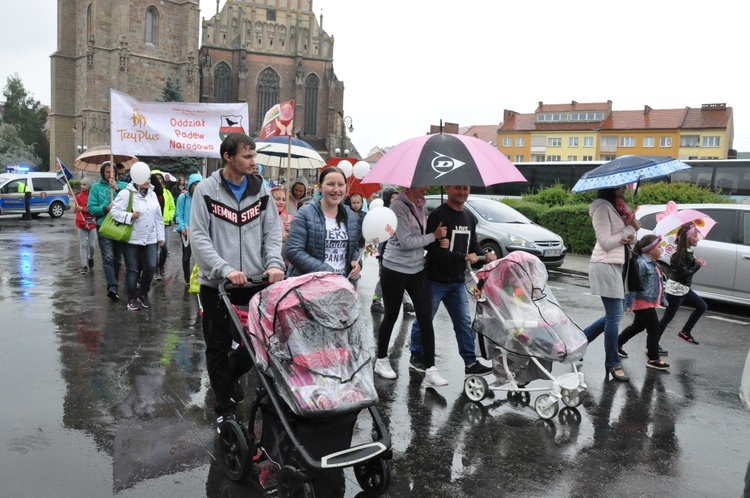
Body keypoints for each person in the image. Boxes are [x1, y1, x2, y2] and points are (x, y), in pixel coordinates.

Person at [190, 133, 285, 430]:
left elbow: (272, 231)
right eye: (247, 156)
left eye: (254, 155)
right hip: (217, 284)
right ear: (228, 157)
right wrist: (223, 268)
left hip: (257, 282)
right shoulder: (206, 190)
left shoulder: (262, 190)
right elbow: (199, 236)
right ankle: (223, 407)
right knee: (217, 346)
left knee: (259, 344)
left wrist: (274, 264)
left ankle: (228, 377)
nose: (253, 161)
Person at [409, 185, 495, 377]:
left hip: (457, 281)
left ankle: (470, 363)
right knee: (424, 320)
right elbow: (434, 251)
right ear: (448, 189)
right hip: (434, 280)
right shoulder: (438, 216)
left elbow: (473, 244)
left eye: (465, 188)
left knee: (463, 322)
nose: (462, 192)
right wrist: (464, 257)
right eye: (458, 188)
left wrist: (485, 254)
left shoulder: (470, 217)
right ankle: (416, 354)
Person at [374, 186, 449, 387]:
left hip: (417, 268)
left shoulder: (420, 205)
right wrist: (434, 236)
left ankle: (430, 368)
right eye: (424, 184)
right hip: (394, 268)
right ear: (411, 184)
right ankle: (381, 360)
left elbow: (421, 236)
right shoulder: (398, 206)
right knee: (391, 315)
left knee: (425, 316)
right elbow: (406, 242)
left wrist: (438, 239)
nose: (427, 188)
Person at [582, 186, 640, 382]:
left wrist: (632, 229)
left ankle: (581, 340)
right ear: (612, 188)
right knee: (615, 315)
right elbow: (605, 242)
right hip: (605, 265)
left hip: (619, 265)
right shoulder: (601, 207)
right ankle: (613, 363)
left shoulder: (617, 208)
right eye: (623, 187)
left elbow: (625, 240)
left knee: (614, 313)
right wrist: (630, 228)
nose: (626, 189)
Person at [286, 167, 362, 283]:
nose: (336, 189)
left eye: (341, 185)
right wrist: (326, 270)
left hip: (343, 284)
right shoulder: (305, 213)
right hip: (311, 285)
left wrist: (356, 261)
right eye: (331, 184)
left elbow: (354, 248)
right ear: (320, 187)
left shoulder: (350, 215)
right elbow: (294, 251)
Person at [109, 165, 165, 311]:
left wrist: (161, 236)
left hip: (150, 238)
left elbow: (158, 218)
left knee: (150, 267)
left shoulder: (152, 194)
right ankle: (132, 297)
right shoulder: (126, 194)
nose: (148, 181)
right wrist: (130, 216)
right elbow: (114, 213)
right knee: (132, 269)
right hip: (131, 239)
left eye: (149, 178)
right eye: (145, 178)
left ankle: (143, 294)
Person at [617, 234, 671, 371]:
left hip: (647, 301)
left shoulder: (653, 263)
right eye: (659, 247)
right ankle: (653, 358)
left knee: (638, 326)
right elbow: (633, 285)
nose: (661, 250)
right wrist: (629, 304)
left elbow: (660, 283)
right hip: (642, 302)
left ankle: (616, 344)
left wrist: (663, 299)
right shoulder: (641, 264)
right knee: (654, 328)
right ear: (650, 249)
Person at [658, 223, 708, 345]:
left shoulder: (688, 250)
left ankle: (685, 332)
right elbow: (684, 273)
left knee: (702, 306)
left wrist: (695, 261)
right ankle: (652, 345)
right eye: (695, 236)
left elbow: (686, 269)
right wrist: (697, 265)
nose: (698, 239)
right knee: (667, 318)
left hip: (684, 288)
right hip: (676, 290)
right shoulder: (678, 253)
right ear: (687, 237)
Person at [88, 161, 129, 300]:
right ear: (102, 173)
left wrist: (116, 188)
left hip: (119, 226)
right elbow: (91, 208)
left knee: (117, 259)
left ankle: (115, 284)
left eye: (113, 172)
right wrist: (105, 208)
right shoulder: (95, 187)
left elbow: (130, 202)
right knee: (108, 257)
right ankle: (112, 286)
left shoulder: (123, 186)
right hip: (103, 225)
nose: (110, 175)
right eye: (107, 172)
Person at [371, 188, 415, 315]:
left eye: (397, 197)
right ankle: (376, 301)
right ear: (387, 199)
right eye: (393, 198)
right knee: (384, 279)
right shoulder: (384, 214)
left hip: (399, 251)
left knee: (401, 277)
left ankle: (406, 303)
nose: (396, 200)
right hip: (385, 252)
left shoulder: (401, 212)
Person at [174, 173, 202, 284]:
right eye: (194, 184)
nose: (196, 186)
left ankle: (200, 276)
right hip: (187, 229)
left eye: (199, 184)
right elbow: (179, 214)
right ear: (190, 185)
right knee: (186, 255)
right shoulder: (183, 197)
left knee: (201, 255)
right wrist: (182, 228)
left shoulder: (203, 197)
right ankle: (187, 276)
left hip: (199, 230)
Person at [151, 170, 175, 279]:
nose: (158, 180)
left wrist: (169, 217)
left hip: (165, 223)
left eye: (160, 178)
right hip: (152, 224)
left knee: (165, 247)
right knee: (154, 248)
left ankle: (161, 265)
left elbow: (171, 207)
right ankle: (155, 268)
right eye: (156, 178)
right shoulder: (149, 192)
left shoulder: (167, 192)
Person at [74, 177, 97, 275]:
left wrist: (83, 208)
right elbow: (77, 212)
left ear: (89, 186)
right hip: (81, 224)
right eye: (81, 184)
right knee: (83, 245)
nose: (82, 186)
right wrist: (83, 224)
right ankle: (84, 265)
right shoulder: (78, 197)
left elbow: (93, 209)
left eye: (84, 184)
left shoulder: (94, 196)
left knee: (92, 245)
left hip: (92, 224)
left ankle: (90, 257)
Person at [270, 186, 292, 266]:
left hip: (286, 262)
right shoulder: (266, 218)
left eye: (284, 200)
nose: (281, 202)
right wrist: (280, 238)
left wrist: (291, 231)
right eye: (278, 199)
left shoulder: (289, 218)